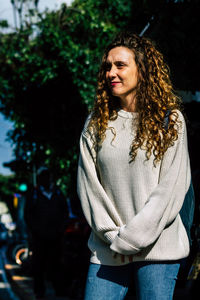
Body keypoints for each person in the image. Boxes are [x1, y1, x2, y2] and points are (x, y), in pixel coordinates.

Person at [77, 31, 191, 300]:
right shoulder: (96, 123)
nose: (111, 73)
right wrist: (113, 236)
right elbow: (89, 188)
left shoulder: (170, 120)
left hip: (158, 251)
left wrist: (132, 238)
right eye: (107, 67)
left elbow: (170, 191)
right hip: (108, 251)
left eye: (120, 65)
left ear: (143, 70)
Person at [24, 167, 68, 299]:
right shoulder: (34, 194)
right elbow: (28, 215)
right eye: (43, 176)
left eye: (47, 176)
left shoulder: (58, 193)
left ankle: (59, 290)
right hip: (39, 238)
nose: (46, 178)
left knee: (56, 264)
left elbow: (65, 212)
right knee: (38, 265)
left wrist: (61, 229)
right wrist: (36, 230)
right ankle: (39, 291)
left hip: (56, 237)